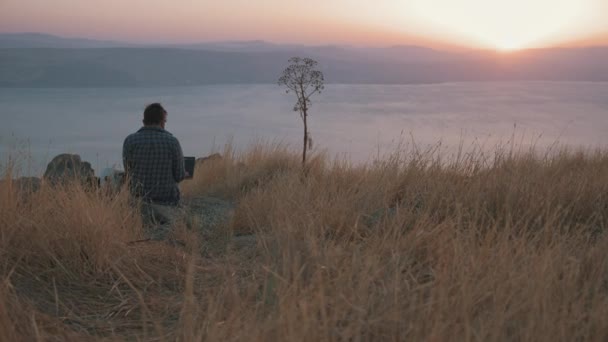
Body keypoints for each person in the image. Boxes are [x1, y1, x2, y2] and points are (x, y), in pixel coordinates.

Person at [122, 103, 188, 239]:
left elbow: (128, 172)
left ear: (143, 121)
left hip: (139, 201)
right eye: (165, 121)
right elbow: (179, 175)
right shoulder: (172, 142)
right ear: (162, 122)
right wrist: (185, 173)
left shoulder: (130, 141)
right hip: (167, 202)